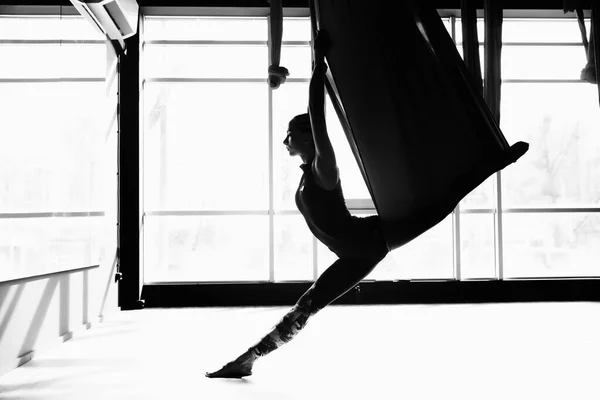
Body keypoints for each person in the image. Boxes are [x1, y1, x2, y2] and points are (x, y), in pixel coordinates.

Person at [205, 31, 392, 379]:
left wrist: (318, 64)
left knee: (308, 305)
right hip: (355, 251)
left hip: (368, 241)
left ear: (307, 136)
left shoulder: (324, 166)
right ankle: (246, 360)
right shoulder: (309, 173)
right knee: (306, 306)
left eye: (290, 134)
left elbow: (317, 114)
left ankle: (246, 360)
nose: (285, 140)